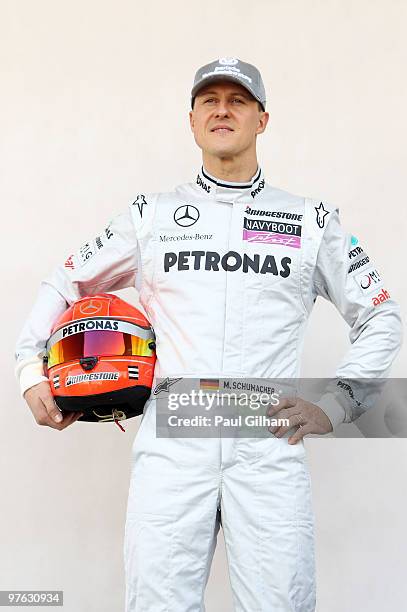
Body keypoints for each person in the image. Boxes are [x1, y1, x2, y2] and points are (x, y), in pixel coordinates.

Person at [15, 57, 402, 611]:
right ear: (192, 120)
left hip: (267, 445)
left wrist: (339, 402)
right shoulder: (152, 215)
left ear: (262, 120)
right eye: (209, 100)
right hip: (174, 442)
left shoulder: (310, 220)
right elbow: (65, 280)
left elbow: (382, 314)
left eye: (238, 100)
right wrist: (30, 370)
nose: (223, 109)